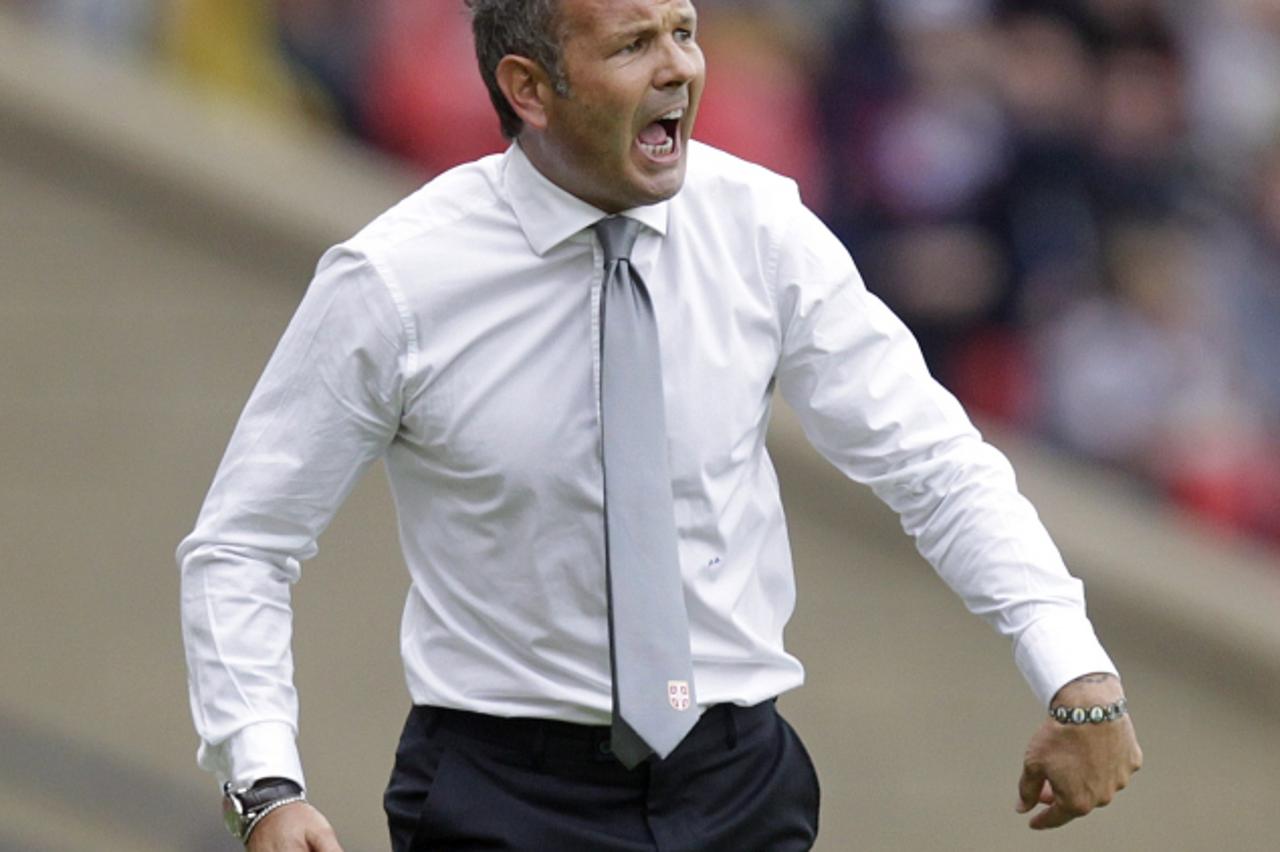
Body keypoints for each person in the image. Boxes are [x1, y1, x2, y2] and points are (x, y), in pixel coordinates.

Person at [177, 0, 1143, 849]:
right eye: (634, 43)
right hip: (504, 796)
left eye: (683, 30)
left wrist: (1075, 671)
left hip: (739, 785)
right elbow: (244, 544)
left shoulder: (763, 230)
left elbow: (934, 465)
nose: (679, 65)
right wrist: (263, 783)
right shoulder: (394, 280)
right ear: (529, 87)